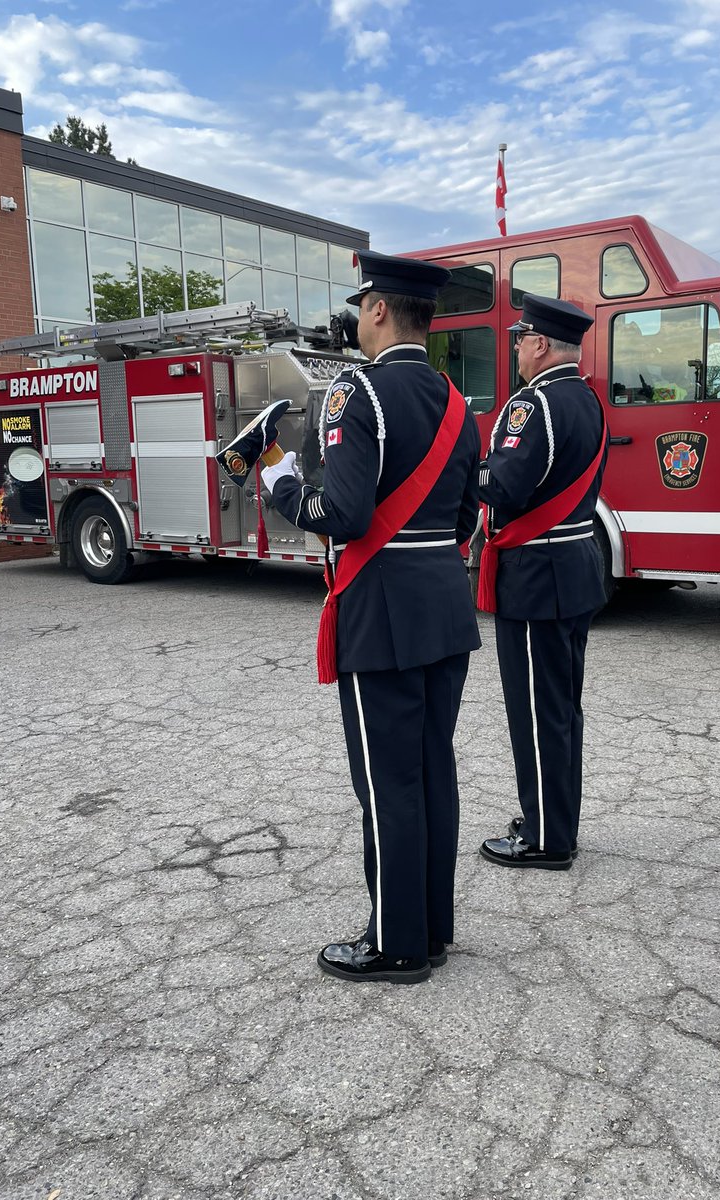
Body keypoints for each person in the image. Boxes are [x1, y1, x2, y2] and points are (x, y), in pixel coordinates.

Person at [262, 249, 482, 984]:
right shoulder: (459, 403)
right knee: (431, 772)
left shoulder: (355, 396)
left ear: (380, 308)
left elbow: (345, 515)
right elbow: (459, 523)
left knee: (388, 784)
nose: (357, 320)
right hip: (445, 608)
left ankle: (396, 943)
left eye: (361, 307)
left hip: (381, 609)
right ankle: (433, 927)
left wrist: (283, 487)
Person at [477, 294, 607, 870]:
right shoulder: (587, 400)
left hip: (536, 574)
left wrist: (457, 465)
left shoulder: (532, 406)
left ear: (538, 345)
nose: (515, 351)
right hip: (572, 566)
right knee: (560, 708)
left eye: (519, 341)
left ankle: (549, 838)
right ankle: (552, 814)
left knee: (536, 711)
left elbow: (502, 486)